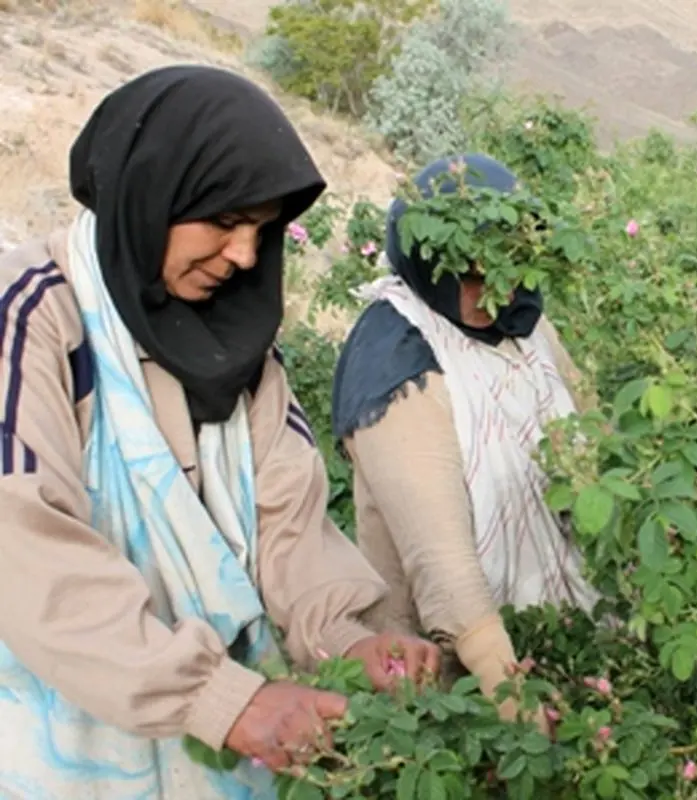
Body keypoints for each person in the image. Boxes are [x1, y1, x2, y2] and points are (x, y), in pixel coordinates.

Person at [0, 65, 440, 798]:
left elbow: (288, 528)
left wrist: (351, 641)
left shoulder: (243, 353)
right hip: (54, 753)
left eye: (260, 231)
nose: (243, 256)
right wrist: (216, 699)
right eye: (225, 221)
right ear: (151, 195)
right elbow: (20, 547)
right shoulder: (34, 321)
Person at [331, 155, 600, 727]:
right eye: (469, 277)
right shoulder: (398, 362)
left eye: (503, 272)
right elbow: (444, 568)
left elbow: (592, 451)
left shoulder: (525, 327)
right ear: (429, 264)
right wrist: (516, 704)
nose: (489, 294)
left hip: (561, 636)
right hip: (456, 681)